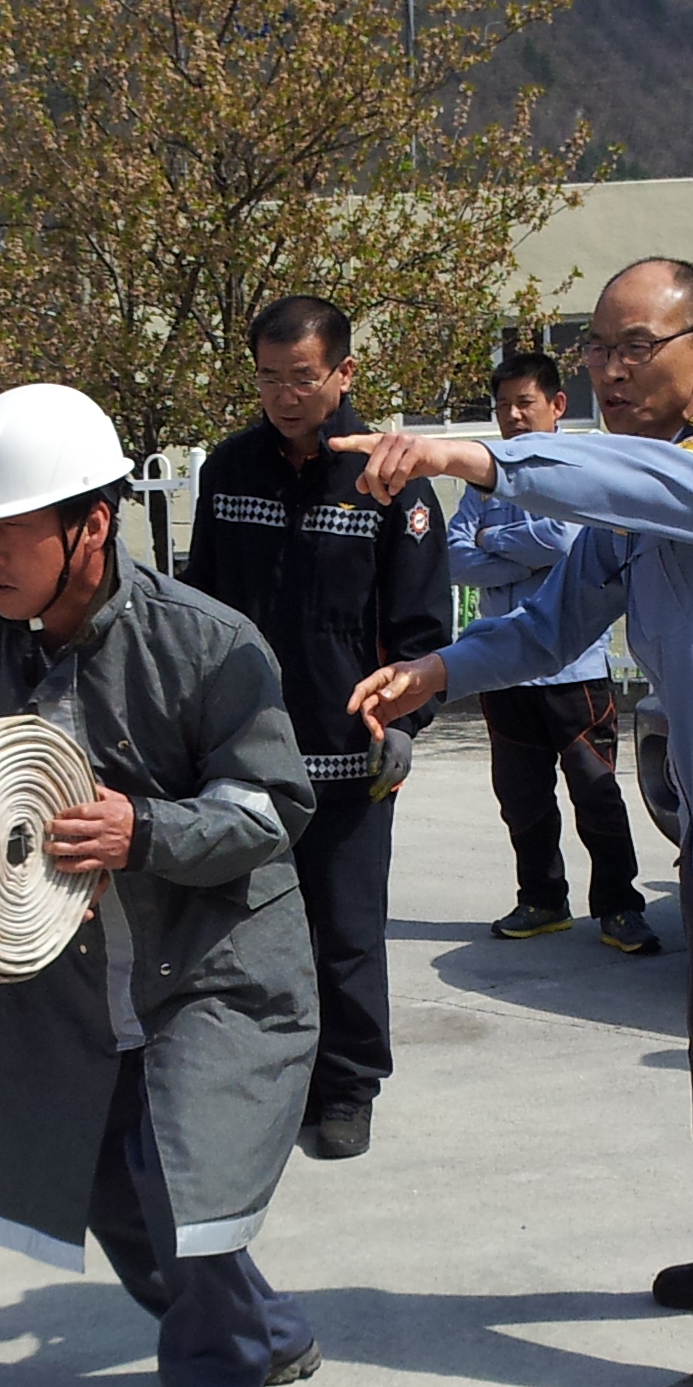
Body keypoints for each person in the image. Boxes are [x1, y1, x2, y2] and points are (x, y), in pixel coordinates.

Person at [343, 258, 693, 1387]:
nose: (612, 369)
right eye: (599, 347)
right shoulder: (635, 503)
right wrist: (437, 670)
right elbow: (547, 626)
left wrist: (466, 457)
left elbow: (633, 476)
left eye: (637, 345)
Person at [0, 383, 325, 1387]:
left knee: (180, 1179)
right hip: (62, 978)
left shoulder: (206, 644)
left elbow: (270, 809)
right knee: (101, 1186)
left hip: (213, 964)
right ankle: (260, 1327)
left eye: (12, 531)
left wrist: (144, 830)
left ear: (92, 524)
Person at [183, 295, 454, 1161]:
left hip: (347, 761)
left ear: (343, 373)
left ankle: (346, 1088)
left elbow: (421, 626)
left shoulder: (391, 482)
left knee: (343, 936)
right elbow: (202, 608)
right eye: (268, 378)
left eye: (301, 378)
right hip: (244, 755)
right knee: (246, 935)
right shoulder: (229, 472)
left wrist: (406, 721)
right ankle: (271, 1082)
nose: (283, 396)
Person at [448, 347, 659, 954]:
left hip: (574, 668)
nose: (513, 416)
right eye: (503, 406)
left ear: (557, 405)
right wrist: (521, 550)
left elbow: (564, 539)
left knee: (595, 792)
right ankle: (542, 900)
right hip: (504, 668)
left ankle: (619, 907)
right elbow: (457, 557)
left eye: (525, 403)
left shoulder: (575, 468)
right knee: (522, 797)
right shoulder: (483, 478)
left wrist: (493, 539)